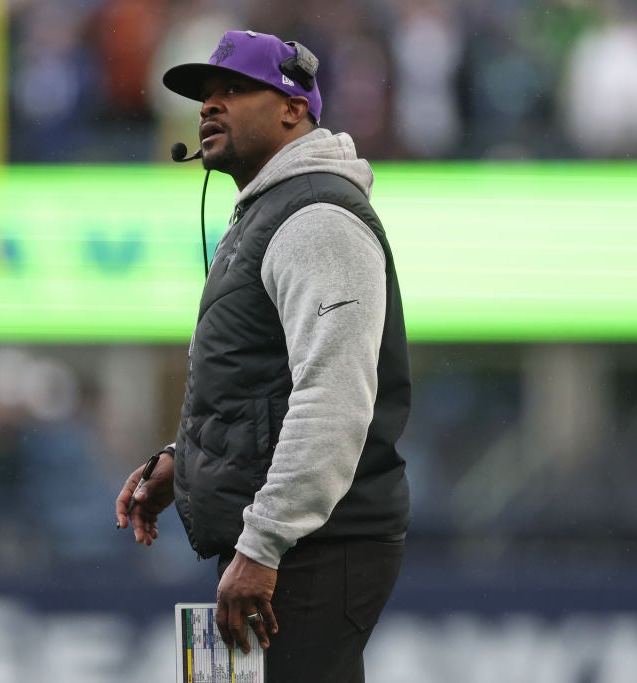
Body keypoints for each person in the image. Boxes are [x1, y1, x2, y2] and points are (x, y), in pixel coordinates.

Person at [115, 29, 411, 682]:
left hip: (309, 546)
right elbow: (262, 383)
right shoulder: (270, 214)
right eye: (204, 95)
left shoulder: (317, 217)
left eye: (234, 89)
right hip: (281, 541)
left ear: (293, 106)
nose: (209, 106)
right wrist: (183, 461)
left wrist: (265, 541)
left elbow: (333, 397)